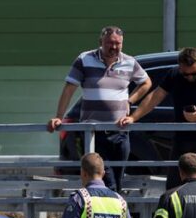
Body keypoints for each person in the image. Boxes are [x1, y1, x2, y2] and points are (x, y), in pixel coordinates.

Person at [47, 26, 152, 192]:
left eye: (118, 44)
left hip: (120, 132)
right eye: (110, 43)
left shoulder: (129, 62)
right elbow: (69, 88)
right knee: (106, 179)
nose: (114, 47)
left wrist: (130, 101)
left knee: (117, 179)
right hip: (94, 132)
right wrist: (58, 116)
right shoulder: (85, 59)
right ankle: (111, 212)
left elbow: (146, 83)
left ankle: (114, 213)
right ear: (100, 42)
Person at [118, 47, 196, 189]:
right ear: (179, 67)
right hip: (180, 139)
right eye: (185, 74)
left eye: (193, 74)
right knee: (174, 184)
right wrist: (133, 117)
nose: (189, 77)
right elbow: (155, 97)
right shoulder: (174, 74)